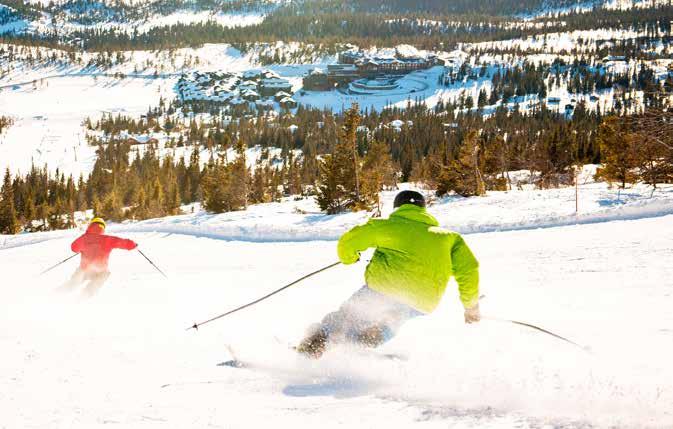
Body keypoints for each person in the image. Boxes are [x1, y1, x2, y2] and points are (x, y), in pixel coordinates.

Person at [296, 190, 480, 358]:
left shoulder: (386, 226)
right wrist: (471, 308)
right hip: (422, 300)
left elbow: (347, 243)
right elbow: (469, 270)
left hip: (385, 289)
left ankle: (313, 346)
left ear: (397, 208)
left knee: (347, 316)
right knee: (392, 319)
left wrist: (350, 257)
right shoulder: (450, 238)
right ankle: (370, 338)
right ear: (423, 209)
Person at [59, 218, 138, 297]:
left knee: (72, 284)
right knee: (98, 281)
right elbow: (124, 243)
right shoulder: (107, 239)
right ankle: (83, 298)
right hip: (101, 271)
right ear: (103, 228)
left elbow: (74, 248)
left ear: (90, 226)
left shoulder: (84, 238)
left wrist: (84, 243)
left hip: (84, 269)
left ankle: (54, 295)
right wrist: (133, 244)